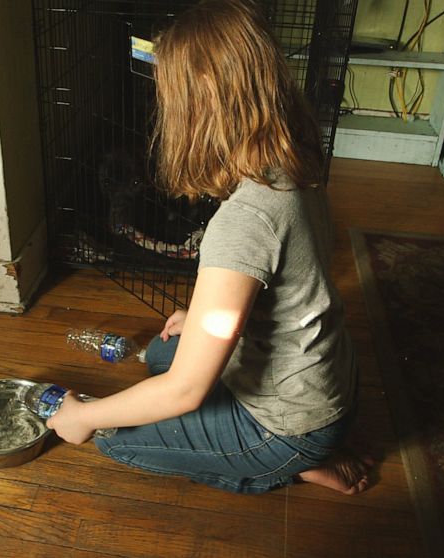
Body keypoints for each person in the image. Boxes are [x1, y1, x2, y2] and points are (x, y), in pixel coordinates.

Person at [47, 0, 372, 495]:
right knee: (161, 351)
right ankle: (302, 450)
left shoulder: (244, 221)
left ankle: (289, 466)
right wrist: (200, 314)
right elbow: (276, 286)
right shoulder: (294, 156)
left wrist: (84, 416)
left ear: (197, 107)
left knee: (115, 438)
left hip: (288, 424)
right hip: (326, 381)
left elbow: (186, 390)